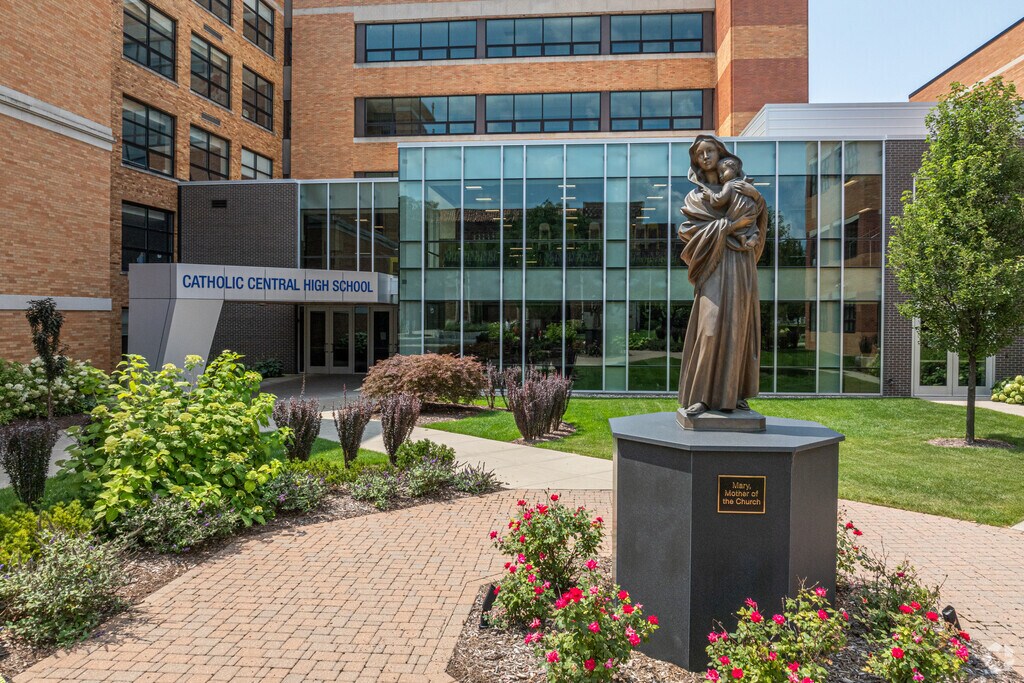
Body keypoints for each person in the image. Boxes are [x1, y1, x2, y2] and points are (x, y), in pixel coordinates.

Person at [677, 135, 768, 416]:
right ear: (695, 161)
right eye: (700, 153)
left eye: (710, 150)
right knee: (710, 327)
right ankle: (702, 396)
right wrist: (728, 227)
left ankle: (734, 393)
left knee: (738, 326)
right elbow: (688, 233)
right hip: (713, 266)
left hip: (740, 263)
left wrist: (757, 197)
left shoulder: (743, 189)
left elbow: (758, 218)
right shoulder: (696, 197)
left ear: (720, 153)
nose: (705, 156)